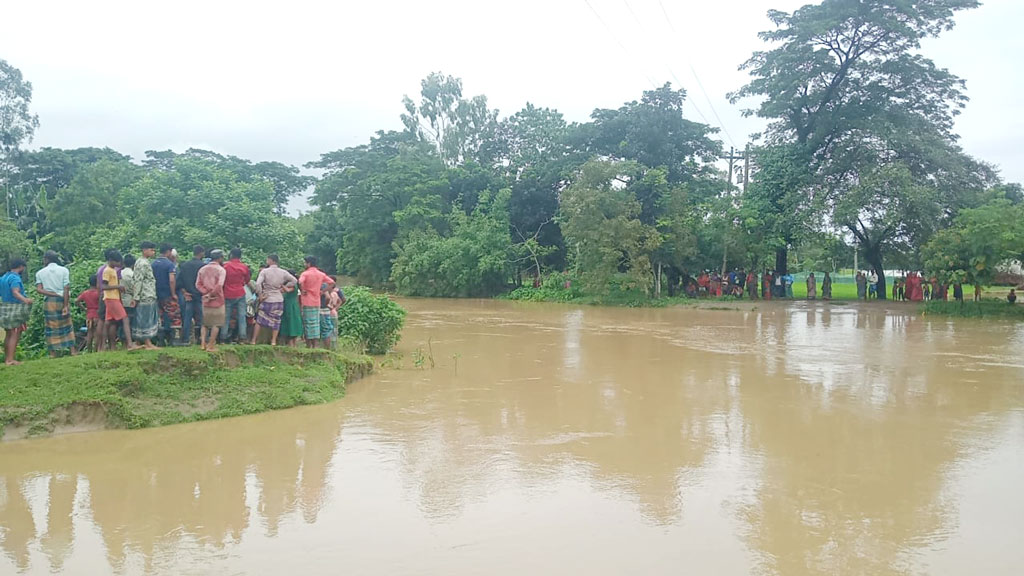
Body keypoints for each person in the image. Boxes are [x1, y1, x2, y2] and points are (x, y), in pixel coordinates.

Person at [34, 250, 76, 357]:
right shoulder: (64, 270)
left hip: (49, 301)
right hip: (63, 299)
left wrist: (51, 294)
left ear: (46, 259)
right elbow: (66, 288)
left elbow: (39, 290)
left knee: (51, 326)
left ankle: (53, 353)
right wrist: (66, 305)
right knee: (67, 324)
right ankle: (73, 351)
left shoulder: (40, 273)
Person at [251, 254, 297, 346]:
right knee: (277, 320)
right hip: (278, 298)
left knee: (260, 319)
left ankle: (253, 340)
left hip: (267, 297)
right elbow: (294, 281)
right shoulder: (283, 272)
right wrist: (283, 287)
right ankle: (273, 341)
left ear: (270, 260)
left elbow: (258, 284)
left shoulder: (264, 271)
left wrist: (260, 294)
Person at [99, 250, 137, 351]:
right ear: (111, 260)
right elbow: (103, 286)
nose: (119, 264)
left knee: (109, 323)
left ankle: (104, 346)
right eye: (117, 262)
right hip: (111, 298)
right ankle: (129, 344)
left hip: (113, 298)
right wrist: (118, 286)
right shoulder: (107, 271)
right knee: (125, 318)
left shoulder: (113, 270)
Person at [1, 259, 33, 365]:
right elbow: (15, 292)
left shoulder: (4, 277)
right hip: (15, 307)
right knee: (15, 333)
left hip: (5, 306)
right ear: (21, 266)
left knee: (9, 333)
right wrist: (26, 300)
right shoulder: (15, 278)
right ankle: (10, 359)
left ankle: (7, 358)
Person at [298, 256, 334, 348]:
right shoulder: (321, 274)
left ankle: (308, 345)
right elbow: (332, 283)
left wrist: (303, 290)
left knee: (307, 323)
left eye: (305, 263)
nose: (304, 264)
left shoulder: (305, 274)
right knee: (315, 324)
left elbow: (300, 281)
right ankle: (315, 345)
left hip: (306, 302)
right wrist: (323, 291)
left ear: (308, 263)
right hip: (316, 302)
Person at [196, 249, 227, 352]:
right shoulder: (221, 270)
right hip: (217, 299)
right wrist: (211, 294)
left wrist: (205, 293)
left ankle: (202, 344)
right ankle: (210, 345)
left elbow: (198, 284)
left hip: (205, 300)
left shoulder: (202, 269)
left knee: (205, 323)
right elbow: (219, 285)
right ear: (220, 258)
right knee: (216, 323)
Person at [131, 242, 160, 350]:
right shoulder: (142, 263)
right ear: (144, 250)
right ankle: (148, 342)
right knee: (145, 319)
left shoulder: (143, 262)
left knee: (142, 318)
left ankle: (138, 342)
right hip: (145, 294)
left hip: (148, 293)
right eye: (151, 249)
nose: (153, 252)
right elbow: (138, 280)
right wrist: (136, 297)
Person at [152, 243, 181, 346]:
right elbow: (172, 280)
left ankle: (161, 340)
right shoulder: (169, 264)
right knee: (174, 316)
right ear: (168, 252)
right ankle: (174, 340)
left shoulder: (153, 263)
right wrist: (173, 294)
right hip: (168, 294)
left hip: (156, 294)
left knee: (160, 316)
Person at [221, 248, 251, 344]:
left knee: (226, 316)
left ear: (231, 255)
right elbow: (247, 280)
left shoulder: (225, 266)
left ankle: (223, 337)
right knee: (242, 315)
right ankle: (242, 337)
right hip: (240, 293)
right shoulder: (244, 267)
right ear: (240, 256)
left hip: (227, 293)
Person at [177, 245, 205, 345]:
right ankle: (203, 338)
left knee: (187, 318)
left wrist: (184, 292)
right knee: (203, 317)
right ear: (201, 253)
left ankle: (185, 338)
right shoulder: (203, 266)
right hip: (200, 295)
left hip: (188, 295)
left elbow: (179, 282)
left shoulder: (185, 265)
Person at [76, 276, 102, 352]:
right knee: (97, 333)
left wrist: (84, 309)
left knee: (90, 333)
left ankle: (89, 350)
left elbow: (77, 301)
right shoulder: (98, 293)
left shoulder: (85, 293)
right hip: (97, 314)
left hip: (89, 315)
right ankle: (96, 350)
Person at [280, 271, 303, 347]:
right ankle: (292, 344)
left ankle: (291, 344)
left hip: (290, 306)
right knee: (291, 322)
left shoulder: (292, 284)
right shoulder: (292, 284)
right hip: (290, 305)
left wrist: (281, 284)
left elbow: (287, 290)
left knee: (291, 323)